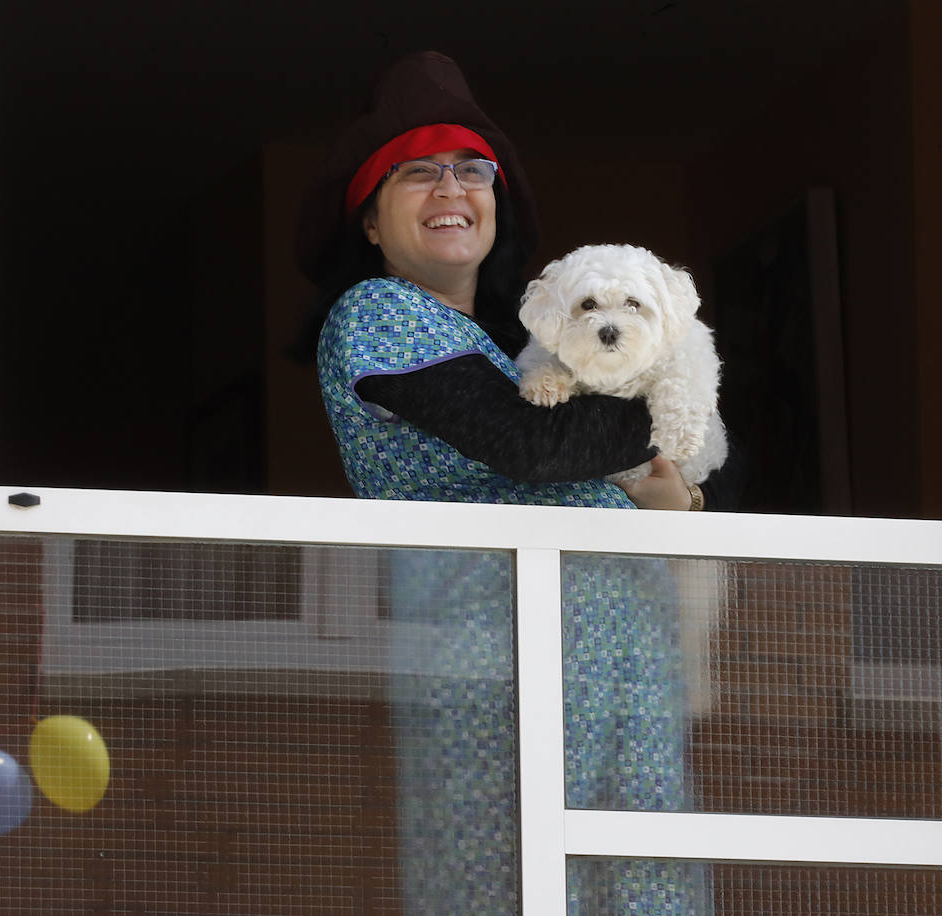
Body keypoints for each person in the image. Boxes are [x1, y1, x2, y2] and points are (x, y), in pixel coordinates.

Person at [298, 51, 712, 915]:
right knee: (508, 882)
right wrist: (665, 375)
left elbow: (588, 451)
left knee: (641, 880)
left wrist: (679, 495)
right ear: (371, 221)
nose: (451, 187)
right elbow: (530, 444)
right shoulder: (378, 313)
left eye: (470, 169)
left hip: (614, 656)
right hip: (500, 663)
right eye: (417, 172)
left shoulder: (500, 346)